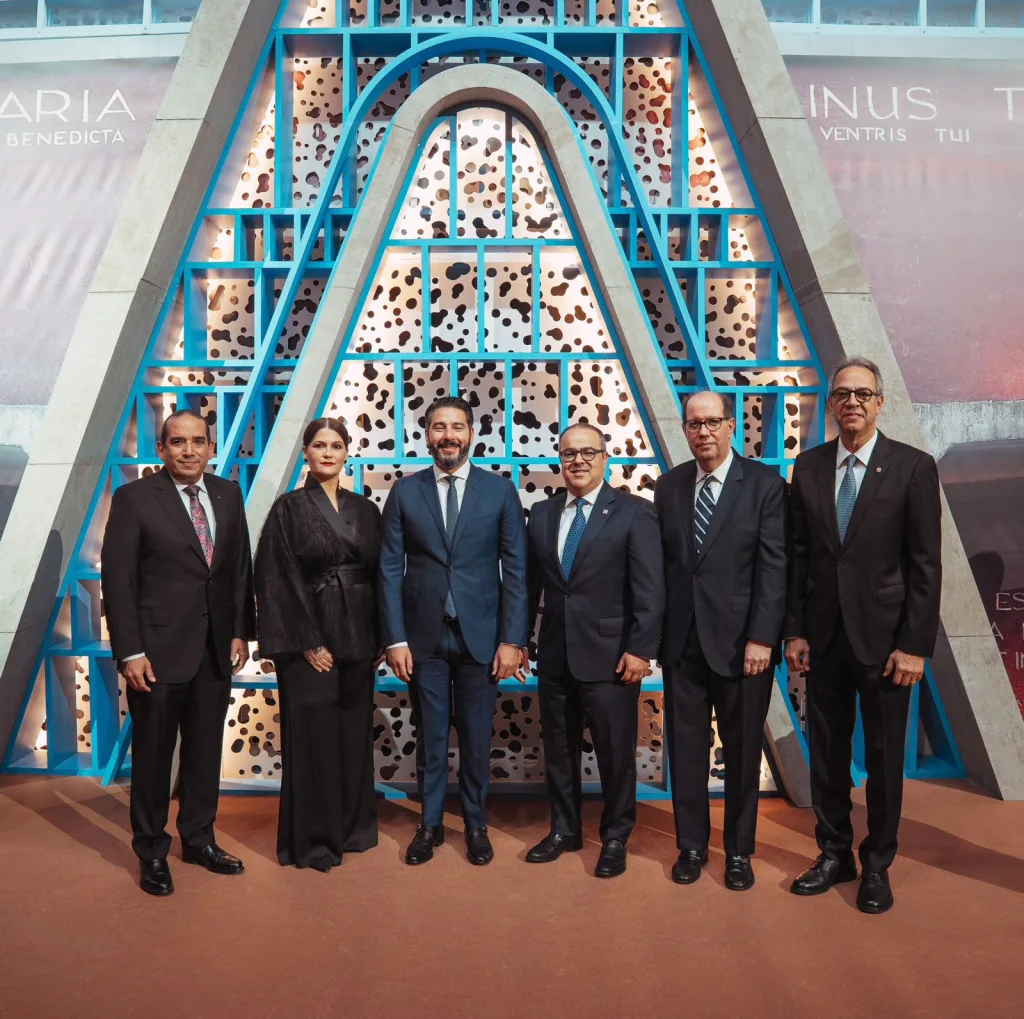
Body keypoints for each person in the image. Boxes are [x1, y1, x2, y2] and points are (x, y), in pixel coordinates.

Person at [785, 356, 941, 914]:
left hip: (887, 644)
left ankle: (877, 864)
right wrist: (794, 631)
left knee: (882, 759)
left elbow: (925, 565)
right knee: (827, 755)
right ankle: (834, 854)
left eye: (862, 394)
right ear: (830, 403)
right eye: (842, 394)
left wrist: (915, 646)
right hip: (823, 639)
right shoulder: (807, 466)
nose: (851, 402)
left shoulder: (913, 467)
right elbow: (799, 556)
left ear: (880, 402)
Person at [101, 409, 256, 896]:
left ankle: (199, 839)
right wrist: (130, 651)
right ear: (162, 449)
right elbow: (118, 580)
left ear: (210, 448)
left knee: (205, 752)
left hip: (215, 650)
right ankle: (151, 850)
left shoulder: (229, 494)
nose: (189, 450)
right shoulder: (134, 499)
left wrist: (240, 632)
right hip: (156, 652)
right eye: (178, 442)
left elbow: (239, 569)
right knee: (153, 757)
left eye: (197, 442)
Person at [379, 396, 528, 866]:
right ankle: (430, 825)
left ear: (471, 434)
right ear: (426, 434)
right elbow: (389, 569)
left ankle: (476, 825)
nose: (448, 435)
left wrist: (513, 640)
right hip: (422, 639)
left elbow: (516, 570)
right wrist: (395, 639)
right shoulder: (405, 491)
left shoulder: (499, 490)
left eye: (457, 426)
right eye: (439, 426)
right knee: (432, 737)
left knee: (478, 738)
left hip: (481, 637)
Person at [654, 391, 787, 891]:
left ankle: (738, 852)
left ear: (732, 426)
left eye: (712, 422)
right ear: (685, 430)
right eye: (694, 424)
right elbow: (665, 567)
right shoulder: (669, 486)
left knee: (743, 752)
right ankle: (690, 846)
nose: (703, 432)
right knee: (686, 752)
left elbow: (774, 567)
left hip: (743, 646)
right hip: (682, 645)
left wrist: (762, 638)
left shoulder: (765, 484)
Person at [524, 423, 663, 878]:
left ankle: (616, 836)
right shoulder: (542, 513)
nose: (578, 461)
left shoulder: (634, 512)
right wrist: (519, 640)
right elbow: (528, 586)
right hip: (555, 655)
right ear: (559, 461)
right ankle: (564, 830)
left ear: (605, 458)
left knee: (614, 755)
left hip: (612, 658)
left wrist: (641, 649)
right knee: (559, 751)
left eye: (587, 452)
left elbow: (650, 588)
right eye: (568, 453)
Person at [254, 418, 381, 872]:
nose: (328, 453)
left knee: (352, 736)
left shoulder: (365, 509)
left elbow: (382, 574)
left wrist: (380, 637)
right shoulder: (287, 509)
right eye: (320, 445)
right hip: (310, 640)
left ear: (347, 453)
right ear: (306, 452)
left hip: (359, 637)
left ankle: (353, 830)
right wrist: (308, 641)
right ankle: (313, 842)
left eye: (337, 445)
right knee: (314, 741)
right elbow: (275, 578)